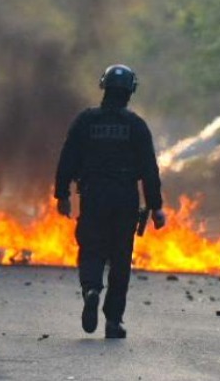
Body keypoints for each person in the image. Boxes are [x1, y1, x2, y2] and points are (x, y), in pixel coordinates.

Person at [55, 64, 167, 339]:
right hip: (125, 198)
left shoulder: (86, 122)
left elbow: (67, 160)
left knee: (91, 249)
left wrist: (62, 195)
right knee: (120, 260)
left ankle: (91, 289)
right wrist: (156, 207)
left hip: (93, 196)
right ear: (130, 92)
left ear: (104, 88)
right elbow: (150, 171)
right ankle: (113, 321)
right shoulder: (136, 126)